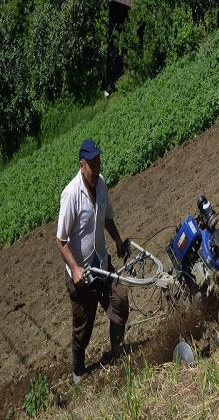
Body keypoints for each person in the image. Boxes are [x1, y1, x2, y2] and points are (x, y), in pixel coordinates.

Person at [56, 138, 130, 384]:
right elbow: (61, 240)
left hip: (101, 262)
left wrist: (118, 241)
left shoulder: (101, 186)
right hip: (81, 273)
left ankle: (116, 352)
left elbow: (107, 219)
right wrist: (75, 269)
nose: (97, 167)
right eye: (92, 163)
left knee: (119, 301)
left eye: (99, 161)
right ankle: (78, 370)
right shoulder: (71, 195)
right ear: (82, 165)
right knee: (83, 328)